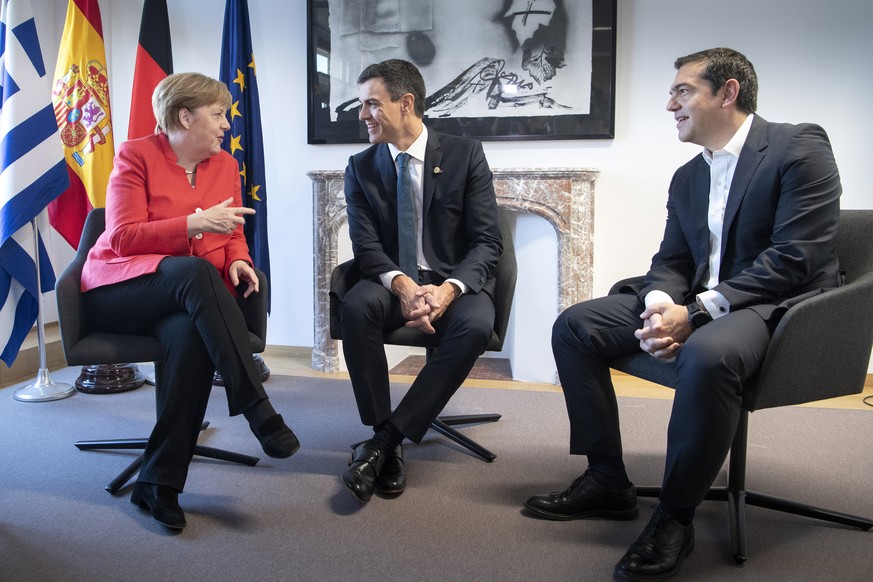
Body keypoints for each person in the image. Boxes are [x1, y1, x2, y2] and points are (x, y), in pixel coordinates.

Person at [523, 48, 841, 581]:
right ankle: (606, 481)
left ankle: (675, 516)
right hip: (697, 301)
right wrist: (660, 306)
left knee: (708, 353)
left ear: (728, 91)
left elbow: (794, 259)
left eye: (683, 90)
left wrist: (694, 314)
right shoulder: (689, 176)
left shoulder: (799, 145)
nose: (669, 103)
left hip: (771, 305)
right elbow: (671, 260)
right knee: (576, 325)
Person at [80, 73, 300, 530]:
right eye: (218, 115)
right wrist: (194, 223)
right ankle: (256, 407)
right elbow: (121, 238)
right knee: (197, 272)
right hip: (122, 289)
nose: (226, 125)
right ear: (185, 116)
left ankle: (158, 485)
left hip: (184, 299)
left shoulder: (225, 165)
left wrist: (239, 259)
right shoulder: (135, 155)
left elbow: (235, 229)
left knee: (191, 335)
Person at [335, 59, 503, 503]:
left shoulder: (466, 154)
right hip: (393, 279)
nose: (362, 114)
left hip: (454, 280)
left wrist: (448, 290)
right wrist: (403, 286)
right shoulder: (360, 166)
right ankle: (380, 430)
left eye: (372, 104)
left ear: (405, 103)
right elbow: (366, 246)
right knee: (355, 306)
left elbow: (487, 241)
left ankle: (384, 445)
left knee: (474, 325)